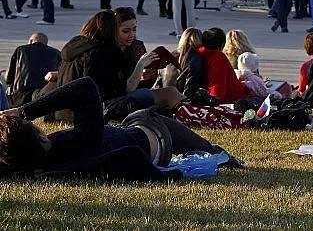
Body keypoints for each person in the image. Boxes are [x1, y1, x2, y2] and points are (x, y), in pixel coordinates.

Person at [0, 77, 240, 177]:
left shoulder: (31, 162)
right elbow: (85, 87)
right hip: (156, 135)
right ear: (40, 137)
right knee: (211, 151)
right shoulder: (83, 142)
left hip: (131, 128)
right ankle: (224, 156)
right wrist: (24, 111)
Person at [5, 33, 61, 106]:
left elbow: (9, 78)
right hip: (43, 95)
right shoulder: (56, 53)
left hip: (19, 96)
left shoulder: (21, 50)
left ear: (31, 41)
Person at [198, 28, 250, 104]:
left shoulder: (197, 53)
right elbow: (217, 86)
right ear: (222, 45)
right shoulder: (218, 57)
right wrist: (215, 104)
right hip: (233, 100)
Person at [175, 28, 206, 99]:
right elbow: (189, 88)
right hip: (180, 100)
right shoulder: (196, 59)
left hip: (165, 97)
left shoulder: (171, 55)